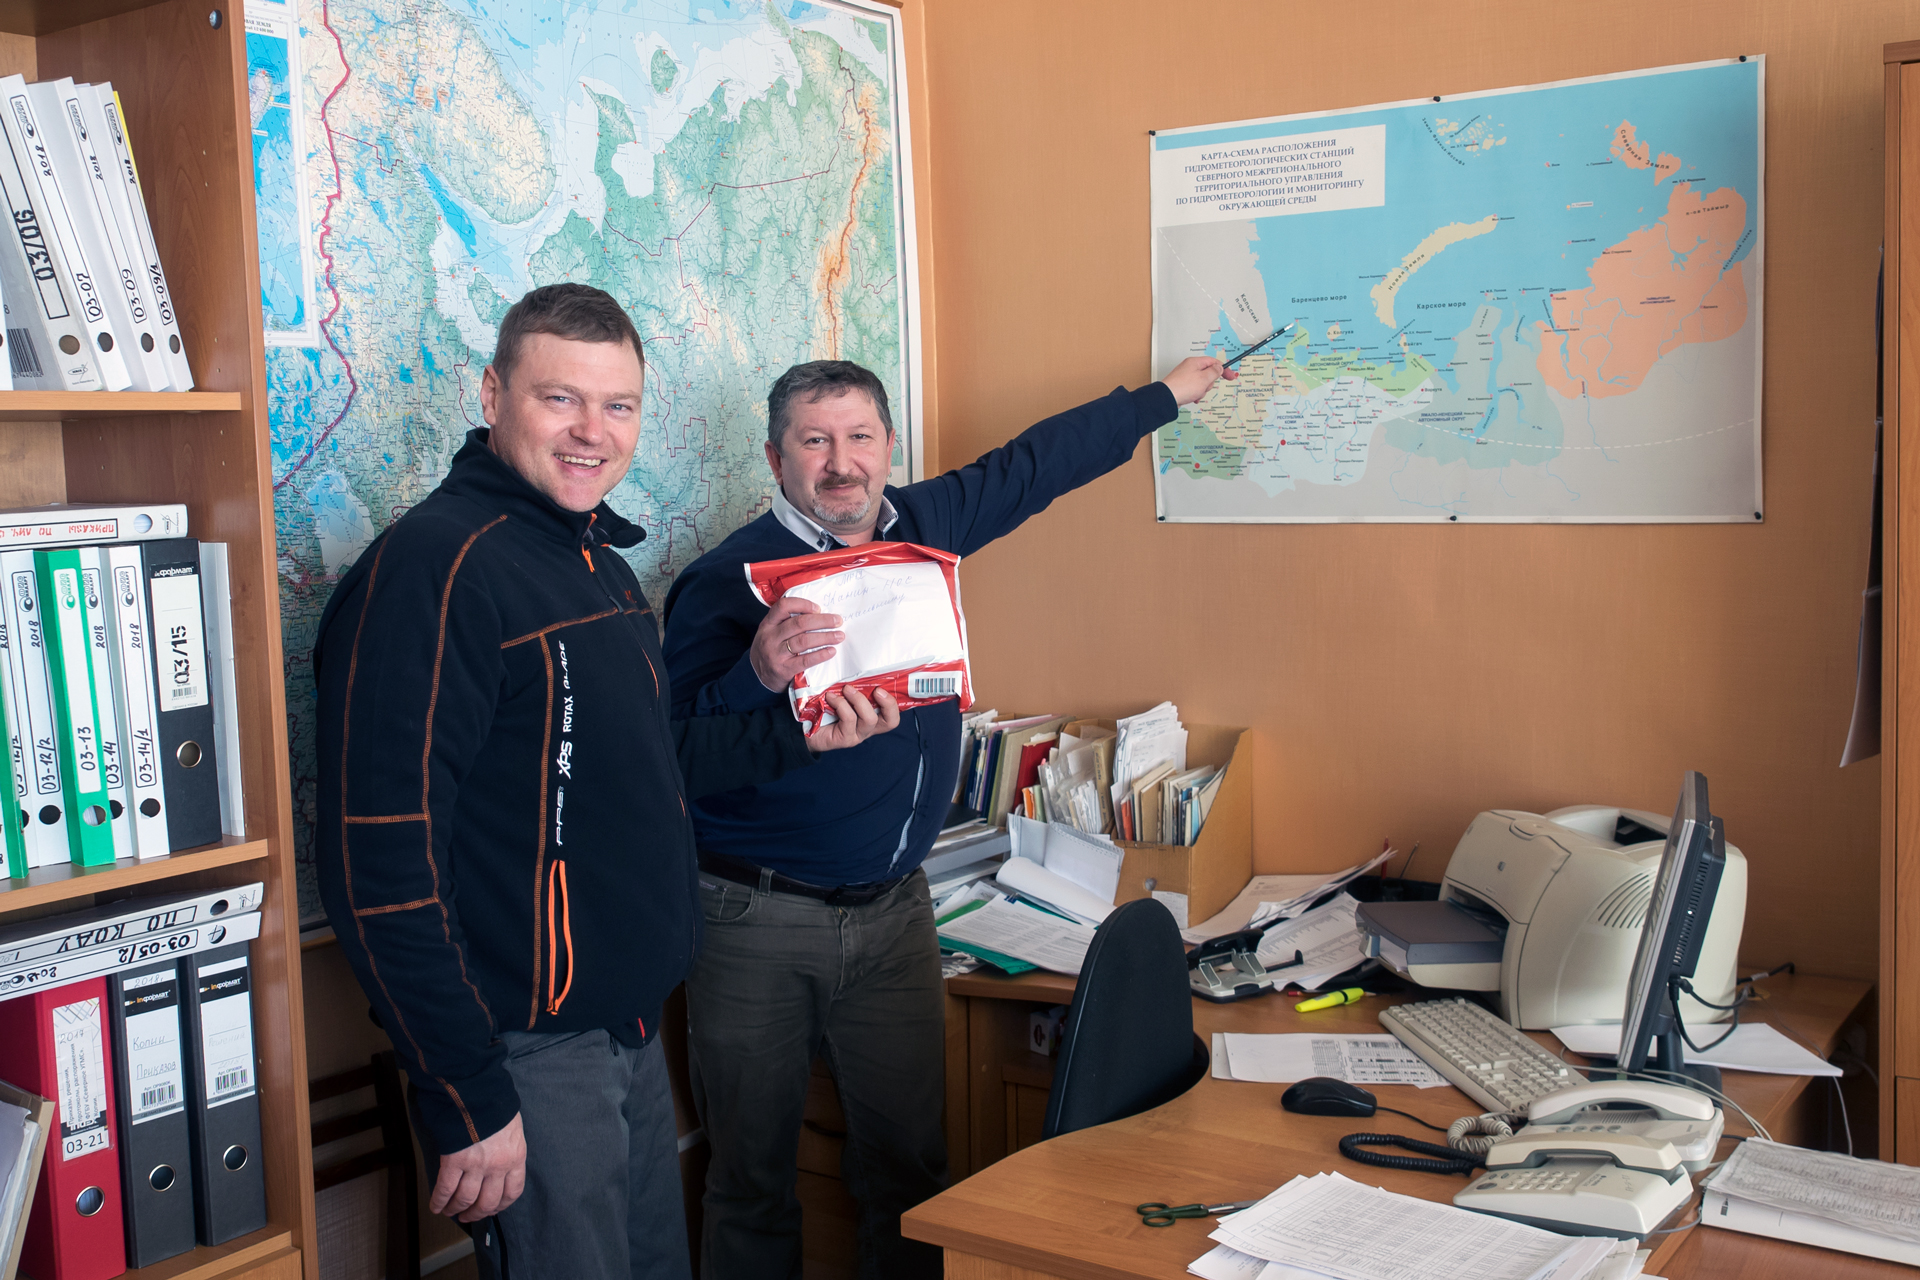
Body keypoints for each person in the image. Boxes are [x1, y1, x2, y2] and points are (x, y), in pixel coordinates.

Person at [312, 283, 899, 1280]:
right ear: (493, 395)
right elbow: (380, 866)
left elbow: (651, 771)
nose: (593, 432)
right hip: (527, 1050)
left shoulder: (595, 561)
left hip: (624, 1032)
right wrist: (465, 1091)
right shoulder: (436, 570)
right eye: (561, 399)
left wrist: (801, 736)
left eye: (617, 405)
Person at [660, 354, 1235, 1277]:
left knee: (910, 1171)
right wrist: (758, 676)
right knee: (751, 1180)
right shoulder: (724, 581)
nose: (840, 463)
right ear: (776, 458)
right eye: (814, 441)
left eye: (858, 437)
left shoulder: (923, 526)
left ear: (889, 445)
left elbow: (1036, 463)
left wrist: (1166, 397)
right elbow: (679, 760)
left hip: (896, 913)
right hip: (755, 918)